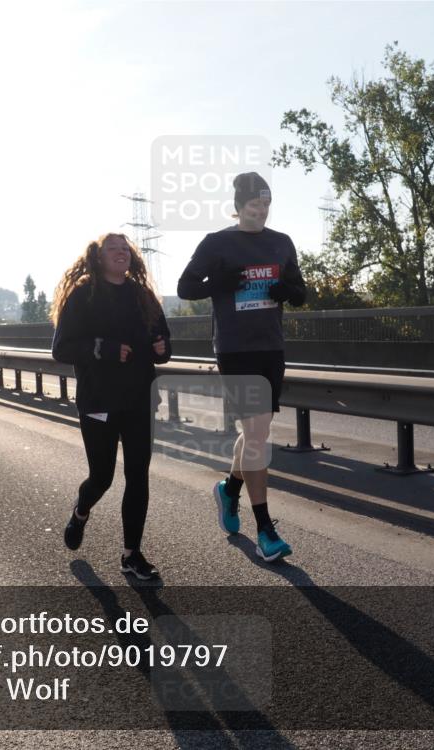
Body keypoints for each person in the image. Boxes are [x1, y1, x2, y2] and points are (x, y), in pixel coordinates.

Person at [177, 171, 306, 562]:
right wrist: (216, 283)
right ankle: (265, 529)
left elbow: (300, 292)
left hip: (271, 348)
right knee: (257, 437)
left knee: (256, 433)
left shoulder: (281, 242)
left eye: (266, 204)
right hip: (235, 350)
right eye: (254, 204)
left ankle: (229, 490)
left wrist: (288, 291)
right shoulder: (217, 243)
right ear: (238, 206)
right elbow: (185, 287)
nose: (261, 211)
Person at [51, 233, 172, 580]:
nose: (121, 252)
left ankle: (131, 554)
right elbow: (61, 349)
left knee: (138, 476)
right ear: (99, 257)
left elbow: (163, 342)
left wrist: (162, 348)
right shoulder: (83, 295)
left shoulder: (142, 295)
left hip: (139, 399)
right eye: (113, 248)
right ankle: (81, 511)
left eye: (125, 248)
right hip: (99, 401)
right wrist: (103, 349)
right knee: (101, 478)